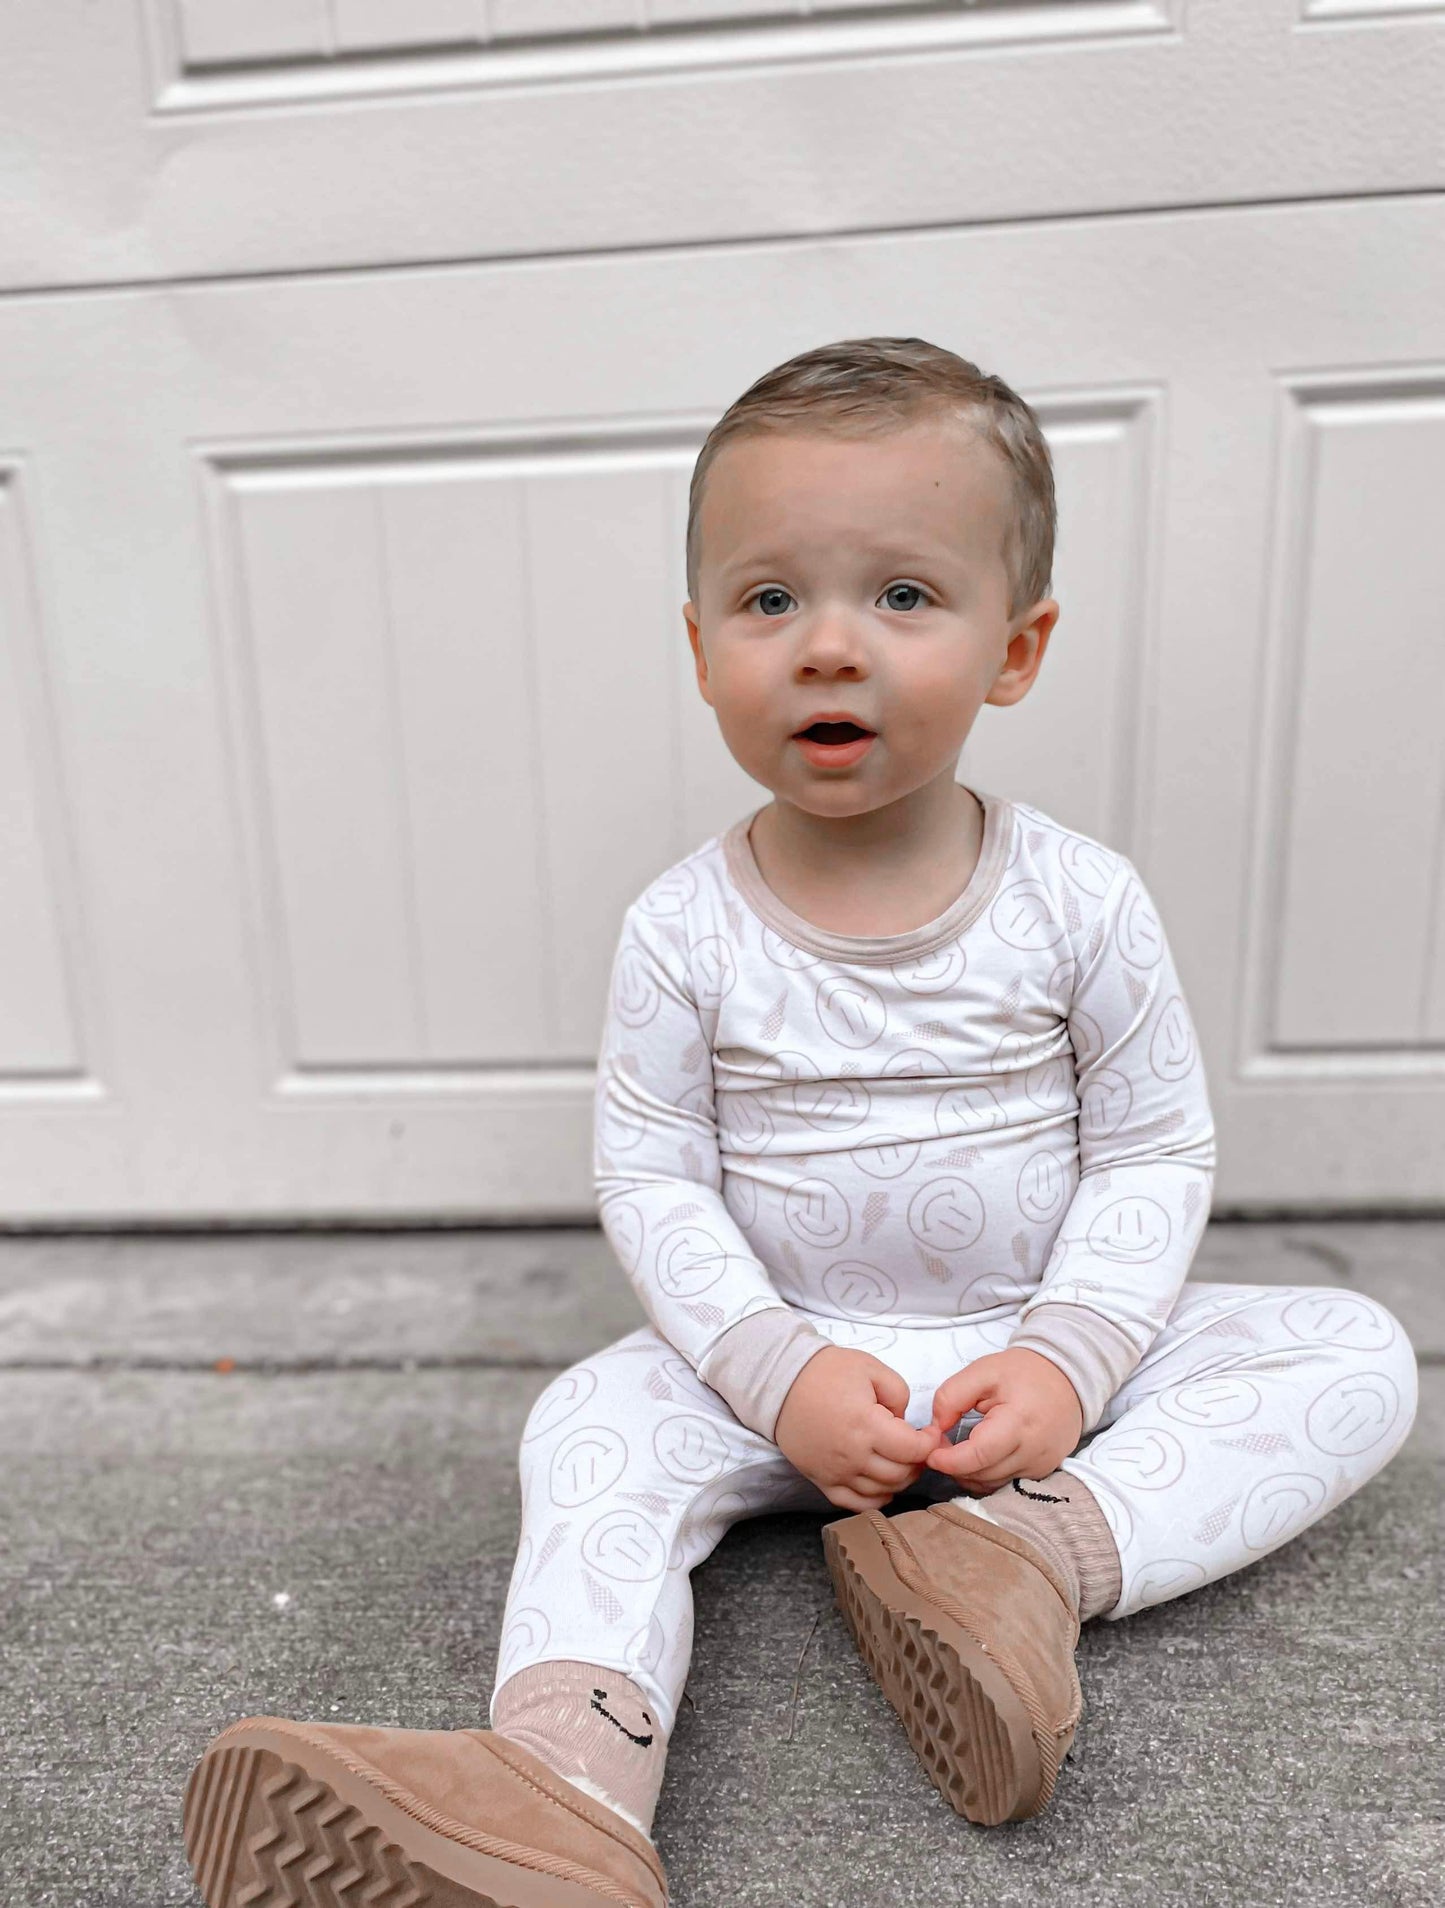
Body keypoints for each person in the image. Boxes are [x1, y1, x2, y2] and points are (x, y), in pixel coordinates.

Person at [181, 338, 1418, 1908]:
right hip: (781, 1364)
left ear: (1015, 647)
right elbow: (651, 1169)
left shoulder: (1076, 900)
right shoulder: (683, 928)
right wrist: (776, 1371)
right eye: (770, 601)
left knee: (1353, 1357)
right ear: (699, 649)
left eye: (902, 596)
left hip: (1022, 1369)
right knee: (588, 1425)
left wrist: (1072, 1356)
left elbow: (1153, 1145)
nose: (828, 648)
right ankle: (561, 1789)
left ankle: (1026, 1555)